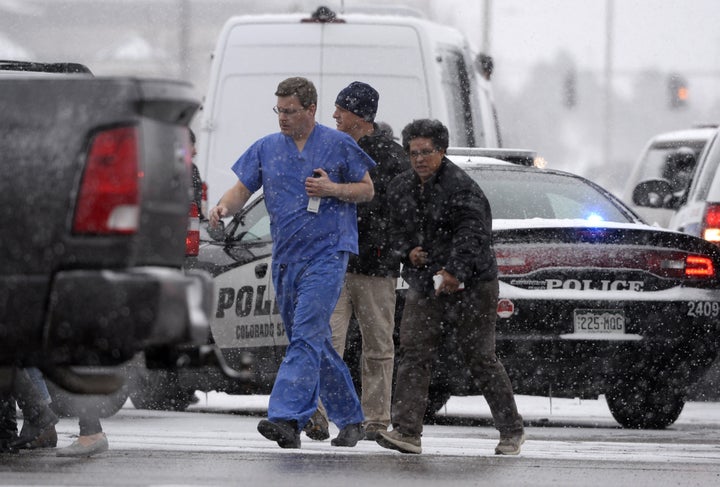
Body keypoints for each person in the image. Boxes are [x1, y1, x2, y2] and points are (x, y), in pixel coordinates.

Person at [208, 76, 375, 449]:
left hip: (328, 253)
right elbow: (242, 190)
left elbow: (367, 189)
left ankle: (286, 418)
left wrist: (332, 189)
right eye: (279, 110)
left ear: (311, 110)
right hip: (285, 257)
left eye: (290, 111)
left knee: (304, 335)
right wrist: (223, 206)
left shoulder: (338, 145)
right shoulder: (267, 148)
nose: (282, 118)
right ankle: (350, 418)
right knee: (312, 339)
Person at [376, 119, 525, 455]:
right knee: (413, 353)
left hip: (473, 283)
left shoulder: (462, 188)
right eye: (413, 152)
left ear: (442, 151)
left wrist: (455, 272)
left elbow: (473, 236)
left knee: (480, 358)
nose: (419, 159)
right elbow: (393, 232)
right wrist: (407, 252)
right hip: (425, 282)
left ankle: (511, 430)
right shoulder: (401, 186)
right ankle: (406, 432)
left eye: (426, 152)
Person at [307, 82, 409, 442]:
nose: (333, 115)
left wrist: (391, 249)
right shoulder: (330, 147)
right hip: (333, 263)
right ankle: (317, 414)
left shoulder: (392, 158)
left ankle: (376, 420)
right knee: (324, 340)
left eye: (341, 109)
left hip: (375, 268)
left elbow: (400, 211)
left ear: (361, 116)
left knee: (378, 345)